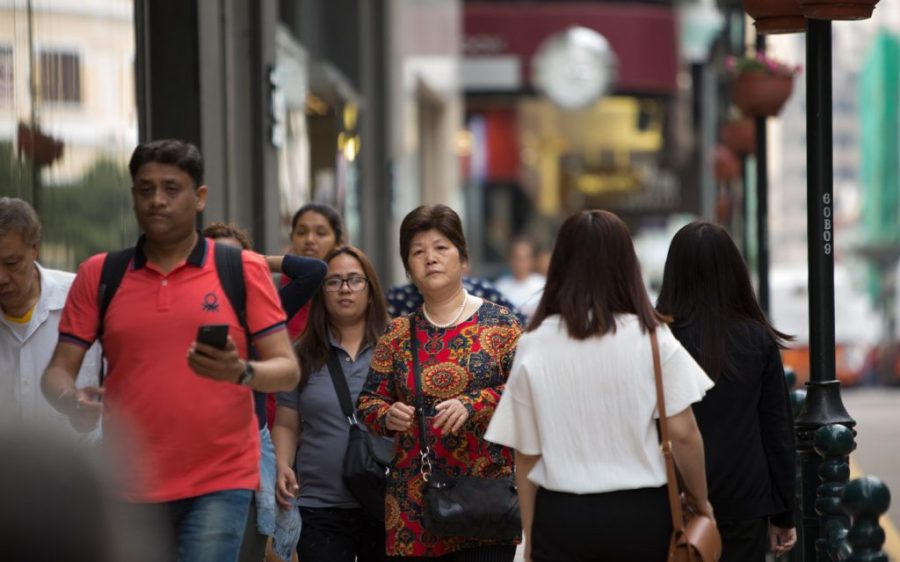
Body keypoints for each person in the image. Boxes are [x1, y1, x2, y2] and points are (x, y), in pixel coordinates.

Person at [41, 139, 300, 562]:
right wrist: (72, 399)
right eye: (145, 190)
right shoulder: (100, 274)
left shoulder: (241, 269)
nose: (157, 200)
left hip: (221, 479)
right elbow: (57, 373)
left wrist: (241, 372)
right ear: (132, 197)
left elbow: (287, 370)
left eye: (171, 188)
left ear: (199, 198)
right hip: (128, 483)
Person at [485, 210, 715, 562]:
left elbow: (527, 454)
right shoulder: (652, 337)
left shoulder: (535, 342)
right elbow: (684, 433)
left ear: (560, 266)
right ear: (627, 265)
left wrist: (530, 539)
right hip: (641, 514)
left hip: (561, 514)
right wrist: (700, 502)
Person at [357, 204, 522, 561]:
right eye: (418, 252)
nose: (430, 258)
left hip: (486, 501)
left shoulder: (501, 325)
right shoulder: (398, 333)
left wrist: (474, 403)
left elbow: (528, 394)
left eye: (441, 248)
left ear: (462, 257)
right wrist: (387, 415)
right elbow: (367, 403)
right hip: (414, 508)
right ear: (408, 267)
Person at [656, 221, 797, 561]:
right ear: (734, 272)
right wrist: (784, 514)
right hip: (745, 499)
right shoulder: (757, 340)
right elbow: (777, 430)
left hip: (670, 498)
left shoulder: (656, 339)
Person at [203, 222, 326, 562]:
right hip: (200, 445)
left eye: (232, 260)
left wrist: (257, 261)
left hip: (254, 444)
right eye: (214, 258)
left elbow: (314, 271)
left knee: (257, 543)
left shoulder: (261, 310)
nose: (223, 267)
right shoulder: (189, 309)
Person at [273, 245, 392, 561]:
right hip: (319, 506)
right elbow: (287, 420)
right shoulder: (301, 352)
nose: (345, 289)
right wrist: (282, 466)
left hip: (387, 503)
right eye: (334, 281)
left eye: (355, 280)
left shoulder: (395, 346)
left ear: (370, 289)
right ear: (321, 292)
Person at [0, 197, 102, 435]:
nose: (1, 277)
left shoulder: (83, 298)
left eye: (12, 263)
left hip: (80, 467)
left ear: (34, 248)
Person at [285, 203, 344, 340]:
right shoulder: (272, 287)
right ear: (291, 238)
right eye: (301, 232)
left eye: (321, 233)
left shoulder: (347, 289)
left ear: (338, 242)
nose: (310, 240)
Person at [493, 236, 545, 320]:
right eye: (516, 258)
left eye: (524, 258)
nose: (520, 263)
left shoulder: (543, 285)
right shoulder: (500, 286)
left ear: (533, 260)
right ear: (510, 259)